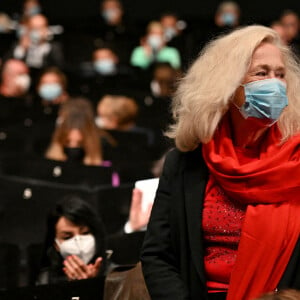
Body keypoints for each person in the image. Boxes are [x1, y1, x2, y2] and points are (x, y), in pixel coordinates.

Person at [141, 25, 300, 300]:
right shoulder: (186, 161)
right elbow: (158, 256)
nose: (274, 84)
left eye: (280, 74)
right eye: (261, 73)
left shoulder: (295, 160)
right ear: (227, 85)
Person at [37, 195, 106, 284]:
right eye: (67, 237)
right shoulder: (47, 279)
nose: (78, 242)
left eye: (85, 233)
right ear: (56, 245)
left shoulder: (115, 275)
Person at [45, 98, 103, 166]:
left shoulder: (103, 144)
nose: (73, 146)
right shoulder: (48, 138)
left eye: (80, 143)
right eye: (67, 141)